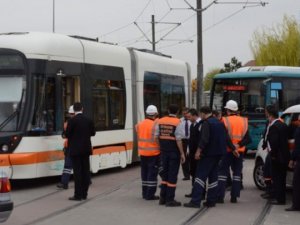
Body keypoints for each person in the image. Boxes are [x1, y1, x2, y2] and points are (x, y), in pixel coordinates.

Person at [184, 106, 227, 208]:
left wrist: (198, 151)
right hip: (218, 154)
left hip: (207, 155)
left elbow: (204, 139)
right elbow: (226, 137)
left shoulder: (206, 123)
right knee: (213, 178)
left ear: (203, 113)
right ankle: (211, 201)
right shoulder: (219, 123)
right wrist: (233, 149)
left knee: (199, 177)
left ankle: (195, 201)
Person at [216, 100, 251, 203]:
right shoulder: (244, 121)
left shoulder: (224, 120)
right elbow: (248, 139)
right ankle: (234, 197)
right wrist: (238, 146)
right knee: (237, 173)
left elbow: (224, 138)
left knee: (222, 173)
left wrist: (232, 148)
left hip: (227, 151)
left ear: (228, 110)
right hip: (239, 152)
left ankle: (220, 197)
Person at [155, 104, 185, 207]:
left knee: (165, 175)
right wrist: (182, 153)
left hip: (164, 152)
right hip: (174, 153)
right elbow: (179, 140)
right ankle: (170, 200)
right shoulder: (177, 122)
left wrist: (161, 147)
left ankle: (162, 198)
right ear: (177, 112)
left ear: (168, 110)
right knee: (172, 176)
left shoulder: (160, 121)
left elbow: (156, 137)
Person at [65, 102, 96, 201]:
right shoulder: (89, 120)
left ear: (74, 110)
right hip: (86, 150)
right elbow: (93, 133)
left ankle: (78, 195)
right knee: (85, 171)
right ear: (82, 109)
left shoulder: (72, 121)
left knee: (77, 173)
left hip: (75, 151)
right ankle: (84, 194)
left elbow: (67, 135)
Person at [264, 105, 289, 205]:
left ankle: (279, 199)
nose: (265, 114)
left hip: (277, 157)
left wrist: (272, 155)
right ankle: (281, 198)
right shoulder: (283, 125)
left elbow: (274, 144)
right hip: (284, 156)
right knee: (282, 178)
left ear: (270, 114)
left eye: (266, 112)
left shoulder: (274, 127)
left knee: (277, 178)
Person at [135, 105, 160, 200]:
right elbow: (157, 139)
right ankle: (150, 195)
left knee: (144, 174)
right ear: (156, 114)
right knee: (152, 174)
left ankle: (144, 193)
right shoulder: (155, 125)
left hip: (143, 153)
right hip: (153, 153)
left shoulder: (139, 124)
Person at [57, 105, 75, 189]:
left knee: (67, 165)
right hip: (79, 147)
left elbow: (64, 135)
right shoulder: (84, 121)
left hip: (70, 146)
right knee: (81, 165)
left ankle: (64, 183)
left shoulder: (68, 123)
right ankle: (86, 180)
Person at [184, 108, 201, 198]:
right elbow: (191, 139)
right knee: (193, 172)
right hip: (192, 153)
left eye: (190, 117)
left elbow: (202, 140)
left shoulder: (200, 125)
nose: (188, 119)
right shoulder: (192, 125)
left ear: (195, 115)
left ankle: (200, 192)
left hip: (198, 154)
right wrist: (188, 150)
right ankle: (194, 190)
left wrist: (198, 152)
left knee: (198, 173)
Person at [286, 118, 300, 211]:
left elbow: (297, 147)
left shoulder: (298, 130)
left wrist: (292, 159)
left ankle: (296, 205)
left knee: (297, 183)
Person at [179, 107, 191, 180]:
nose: (185, 115)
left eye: (186, 113)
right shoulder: (180, 121)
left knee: (190, 157)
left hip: (190, 140)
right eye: (183, 113)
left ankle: (192, 172)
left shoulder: (192, 120)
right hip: (183, 140)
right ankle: (186, 175)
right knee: (183, 157)